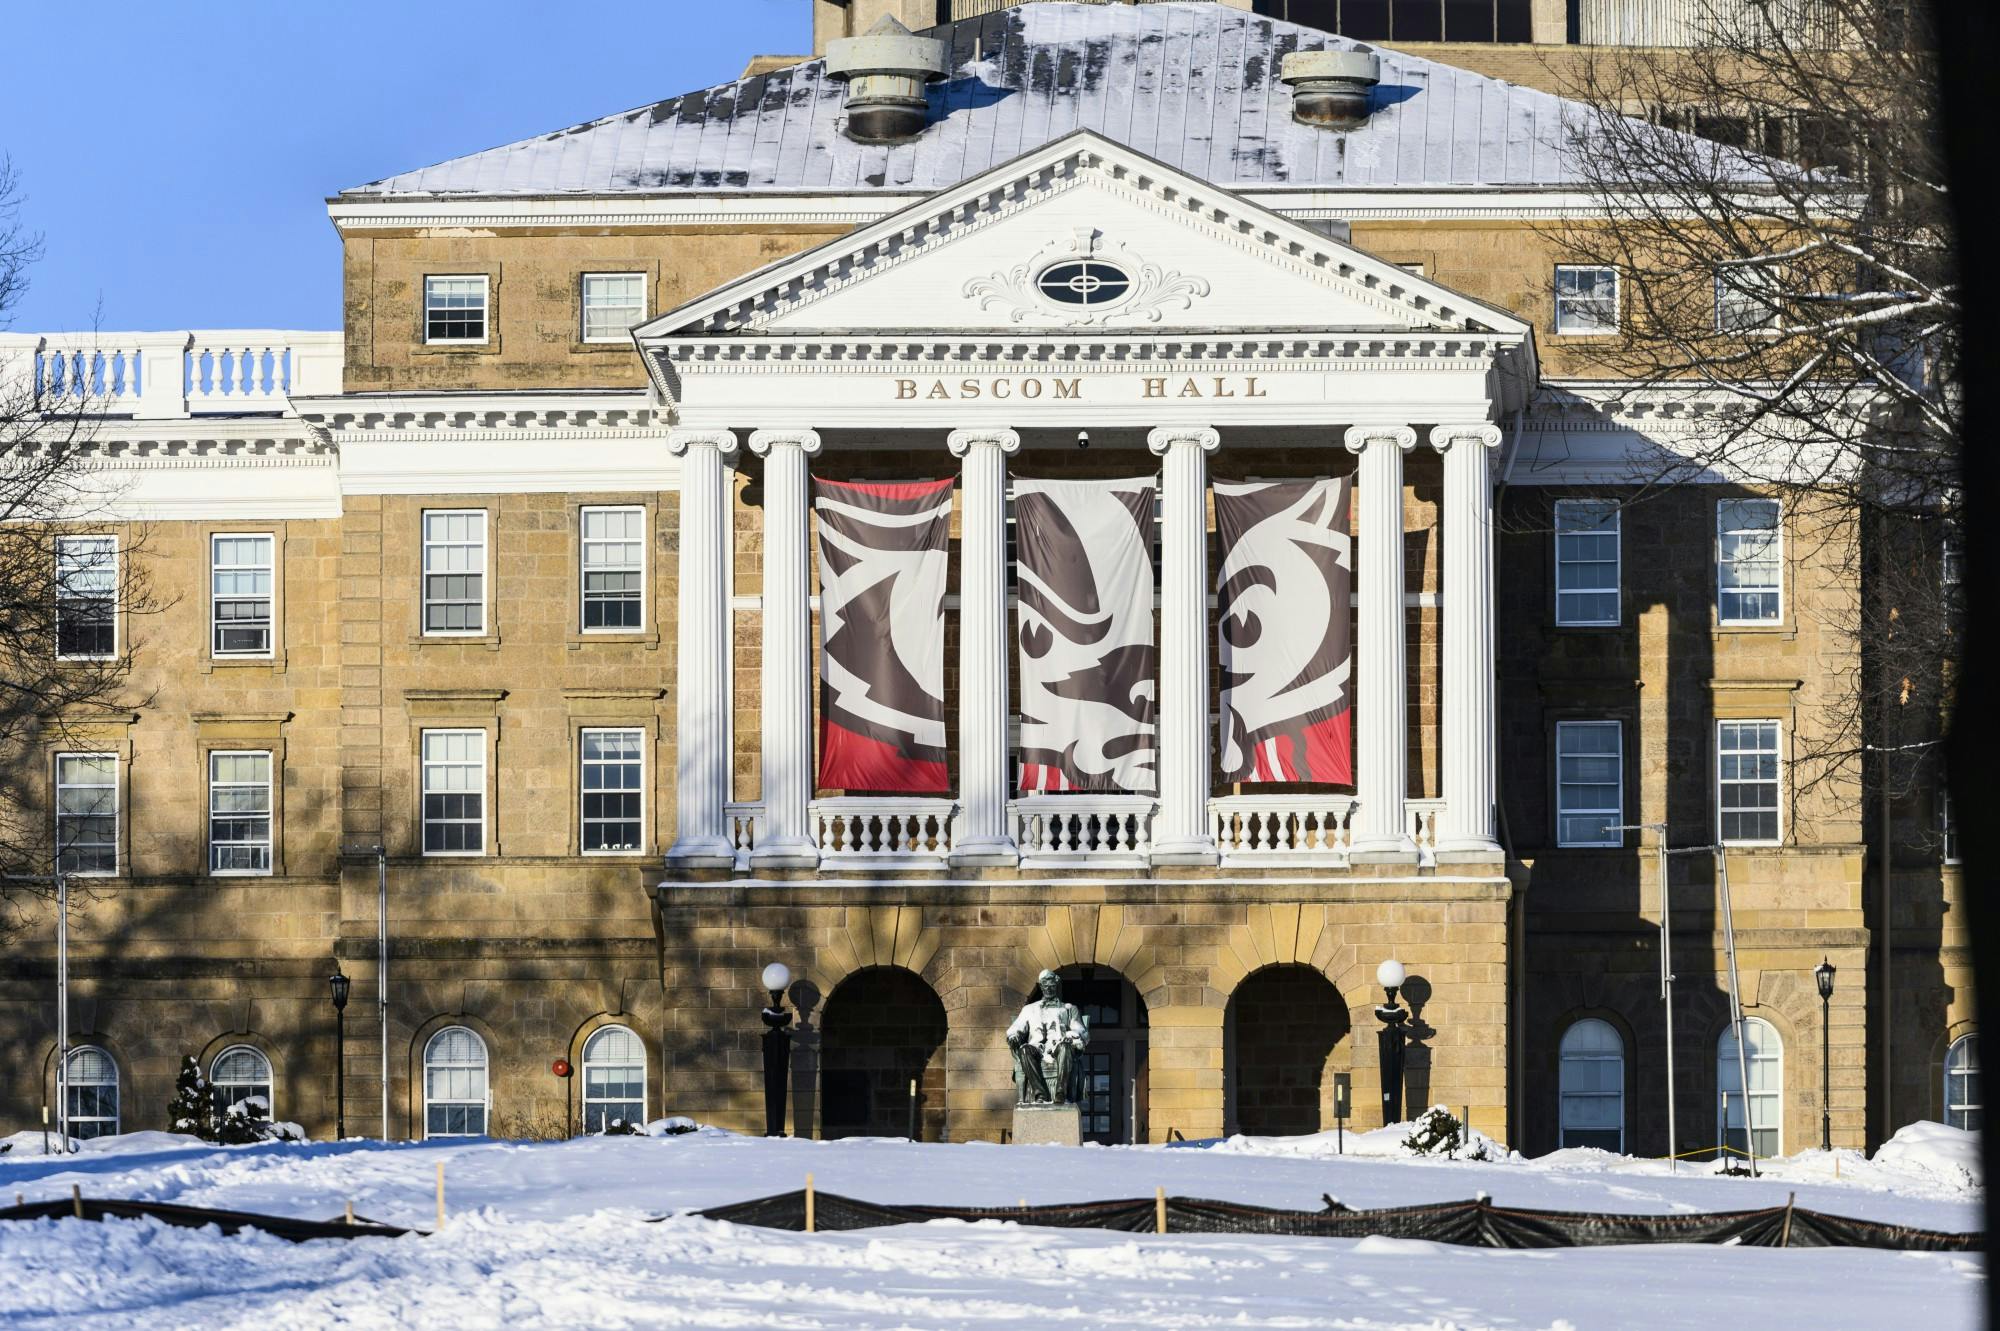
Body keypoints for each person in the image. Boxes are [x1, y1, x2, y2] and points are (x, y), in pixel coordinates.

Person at [1006, 969, 1089, 1105]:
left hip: (1058, 1045)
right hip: (1037, 1048)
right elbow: (1017, 1027)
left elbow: (1080, 1030)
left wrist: (1072, 1036)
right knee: (1025, 1050)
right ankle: (1040, 1094)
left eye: (1052, 986)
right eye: (1045, 986)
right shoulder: (1029, 1009)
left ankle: (1061, 1092)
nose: (1049, 989)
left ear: (1056, 986)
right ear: (1041, 986)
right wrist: (1013, 1035)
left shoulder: (1068, 1009)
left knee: (1065, 1048)